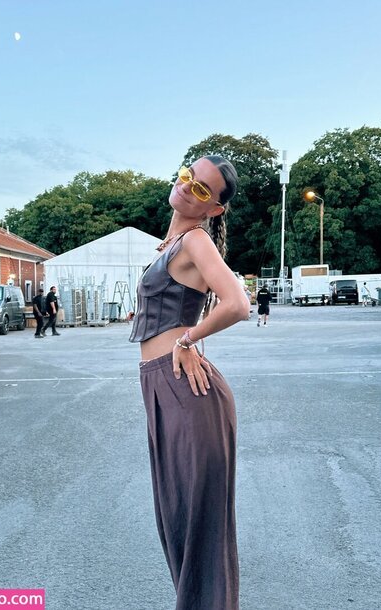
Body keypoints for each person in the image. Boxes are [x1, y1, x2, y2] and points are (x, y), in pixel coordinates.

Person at [129, 155, 248, 610]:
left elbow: (237, 303)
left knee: (198, 529)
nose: (187, 187)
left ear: (213, 208)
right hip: (163, 387)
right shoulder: (171, 244)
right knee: (178, 521)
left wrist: (187, 339)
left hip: (185, 391)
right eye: (187, 176)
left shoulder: (196, 239)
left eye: (202, 189)